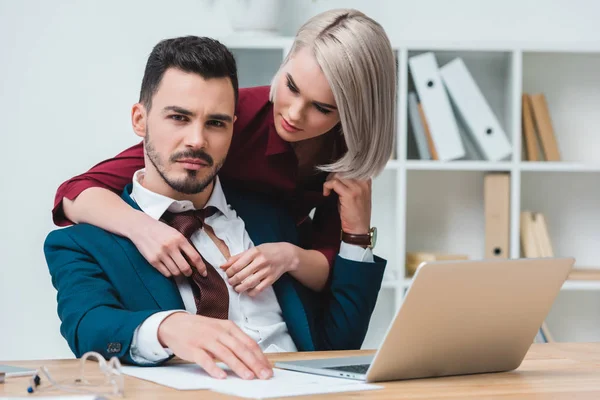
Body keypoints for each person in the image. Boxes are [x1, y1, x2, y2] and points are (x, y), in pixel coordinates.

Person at [44, 35, 386, 381]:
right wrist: (170, 328)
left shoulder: (273, 220)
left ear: (233, 130)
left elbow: (339, 343)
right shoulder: (82, 244)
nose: (196, 140)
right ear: (140, 120)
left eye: (216, 123)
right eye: (179, 117)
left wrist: (358, 233)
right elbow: (88, 327)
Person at [50, 8, 396, 295]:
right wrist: (146, 229)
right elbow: (75, 193)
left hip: (283, 293)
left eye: (322, 108)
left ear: (351, 114)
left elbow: (336, 277)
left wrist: (294, 256)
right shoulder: (227, 117)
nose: (292, 114)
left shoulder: (348, 154)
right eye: (291, 86)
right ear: (286, 60)